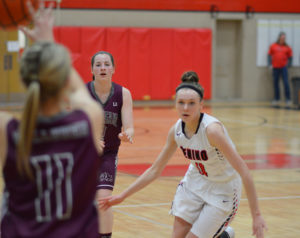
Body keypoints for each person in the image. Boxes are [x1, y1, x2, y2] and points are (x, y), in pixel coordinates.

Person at [99, 71, 267, 238]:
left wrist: (257, 215)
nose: (186, 108)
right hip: (195, 183)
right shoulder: (176, 131)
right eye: (181, 102)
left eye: (191, 103)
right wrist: (123, 195)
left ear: (201, 105)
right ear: (175, 104)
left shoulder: (212, 131)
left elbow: (245, 172)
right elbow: (155, 170)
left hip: (223, 190)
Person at [0, 2, 104, 237]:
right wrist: (48, 41)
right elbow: (79, 92)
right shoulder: (88, 120)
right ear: (64, 81)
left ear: (24, 81)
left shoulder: (6, 131)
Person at [86, 50, 134, 237]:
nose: (103, 68)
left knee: (104, 199)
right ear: (92, 69)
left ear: (113, 68)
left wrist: (126, 134)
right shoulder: (82, 92)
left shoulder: (123, 93)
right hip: (83, 154)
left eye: (106, 64)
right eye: (98, 65)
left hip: (108, 154)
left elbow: (130, 127)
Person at [268, 31, 293, 107]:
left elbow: (290, 57)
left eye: (284, 38)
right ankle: (276, 99)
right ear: (279, 38)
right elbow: (269, 55)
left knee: (285, 83)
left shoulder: (287, 47)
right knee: (276, 83)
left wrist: (289, 64)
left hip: (283, 68)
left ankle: (288, 99)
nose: (283, 39)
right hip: (275, 67)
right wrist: (270, 64)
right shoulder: (273, 46)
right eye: (282, 37)